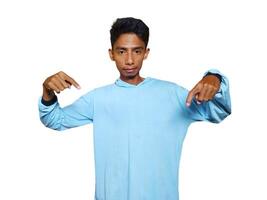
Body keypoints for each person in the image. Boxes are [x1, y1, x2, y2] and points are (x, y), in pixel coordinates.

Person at [39, 17, 231, 200]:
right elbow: (55, 120)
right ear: (111, 54)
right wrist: (47, 90)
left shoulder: (173, 95)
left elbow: (218, 111)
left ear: (146, 53)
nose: (129, 60)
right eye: (122, 51)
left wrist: (215, 78)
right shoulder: (98, 99)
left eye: (137, 51)